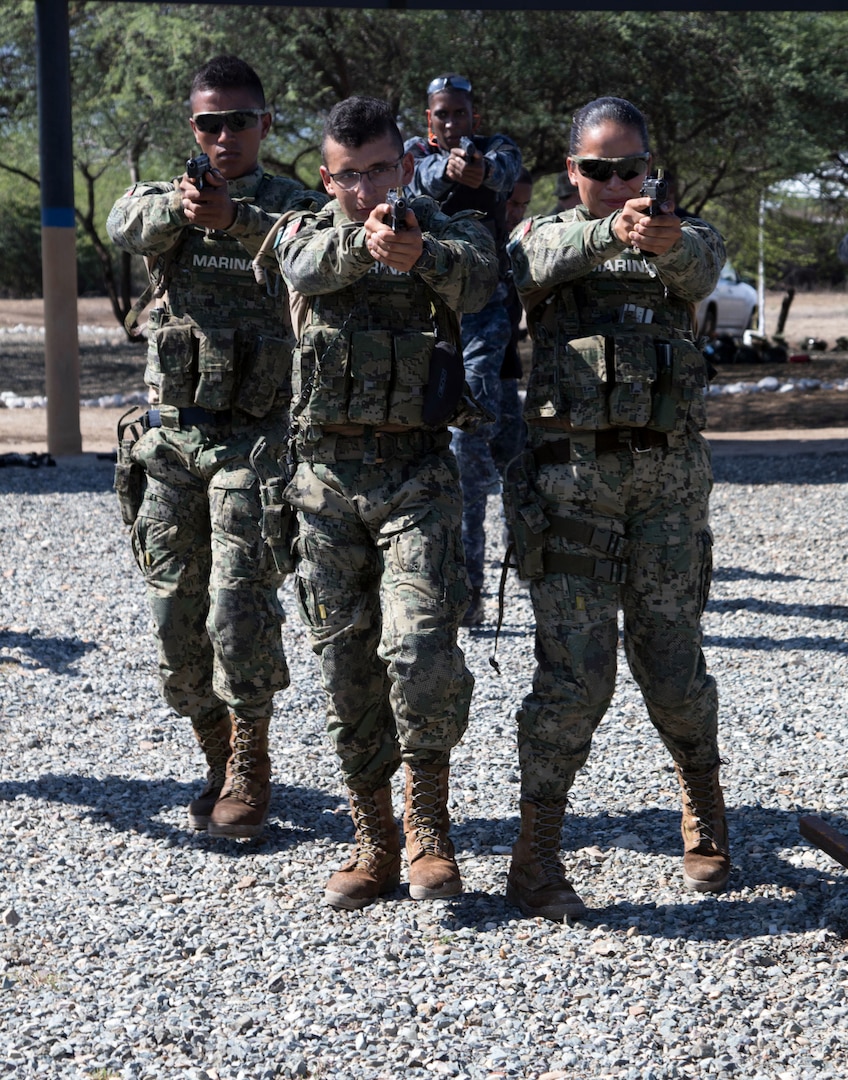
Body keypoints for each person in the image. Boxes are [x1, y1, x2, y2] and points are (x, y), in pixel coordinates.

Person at [506, 96, 729, 920]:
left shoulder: (683, 236)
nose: (613, 183)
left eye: (628, 169)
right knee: (575, 676)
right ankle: (536, 856)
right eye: (596, 171)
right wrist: (609, 231)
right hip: (571, 488)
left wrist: (661, 237)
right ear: (572, 172)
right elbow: (525, 265)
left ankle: (703, 806)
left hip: (667, 486)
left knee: (673, 665)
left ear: (650, 168)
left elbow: (703, 265)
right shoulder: (550, 236)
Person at [273, 96, 498, 909]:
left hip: (416, 478)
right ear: (327, 177)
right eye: (349, 175)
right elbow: (304, 267)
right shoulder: (304, 230)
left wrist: (417, 254)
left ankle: (429, 825)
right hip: (326, 483)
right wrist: (370, 248)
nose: (366, 188)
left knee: (423, 648)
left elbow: (479, 278)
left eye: (379, 170)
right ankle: (372, 836)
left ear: (406, 165)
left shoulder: (448, 229)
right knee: (346, 663)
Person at [106, 55, 325, 839]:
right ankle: (213, 751)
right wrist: (185, 211)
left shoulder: (295, 207)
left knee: (240, 611)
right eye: (209, 123)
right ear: (192, 129)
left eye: (239, 121)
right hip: (174, 441)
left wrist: (237, 220)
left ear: (265, 125)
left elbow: (319, 255)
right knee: (174, 622)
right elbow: (122, 222)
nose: (224, 136)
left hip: (256, 444)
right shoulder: (168, 201)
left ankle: (249, 766)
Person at [404, 74, 522, 625]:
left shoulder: (498, 150)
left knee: (471, 442)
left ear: (475, 115)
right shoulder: (412, 155)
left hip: (488, 316)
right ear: (429, 118)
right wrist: (445, 167)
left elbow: (502, 173)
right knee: (502, 440)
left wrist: (476, 170)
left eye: (460, 113)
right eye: (441, 114)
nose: (451, 123)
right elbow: (420, 179)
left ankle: (475, 591)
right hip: (435, 318)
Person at [492, 167, 534, 508]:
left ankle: (516, 555)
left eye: (523, 205)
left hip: (507, 372)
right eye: (510, 202)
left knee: (515, 468)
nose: (515, 212)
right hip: (471, 375)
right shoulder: (477, 243)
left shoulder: (519, 246)